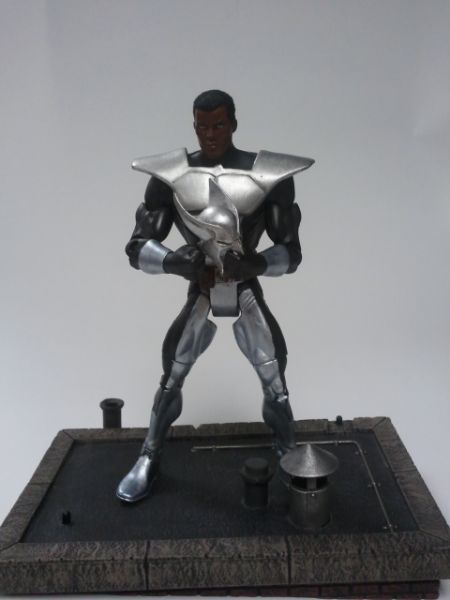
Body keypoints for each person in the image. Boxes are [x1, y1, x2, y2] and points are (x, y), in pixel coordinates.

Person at [116, 90, 314, 502]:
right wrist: (175, 261)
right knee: (173, 372)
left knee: (274, 376)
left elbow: (291, 253)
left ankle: (288, 451)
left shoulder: (267, 175)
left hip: (244, 283)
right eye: (202, 126)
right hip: (202, 283)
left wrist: (255, 264)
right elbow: (137, 247)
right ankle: (149, 454)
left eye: (219, 125)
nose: (210, 134)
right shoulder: (171, 175)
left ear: (233, 124)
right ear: (194, 126)